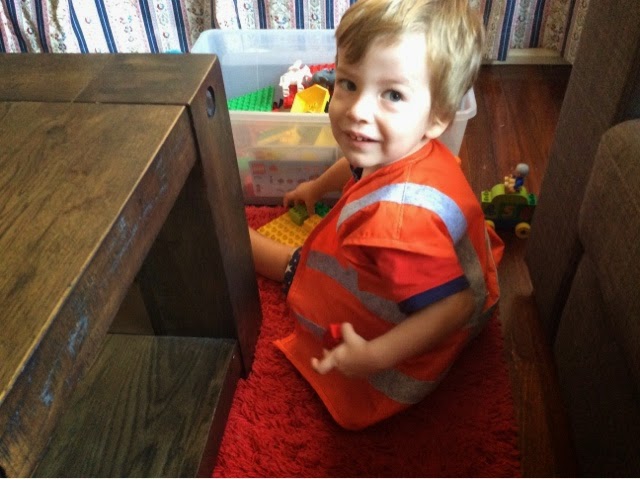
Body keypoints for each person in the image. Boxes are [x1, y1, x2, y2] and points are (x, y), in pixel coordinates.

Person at [249, 0, 504, 430]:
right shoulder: (405, 147)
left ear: (438, 117)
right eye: (348, 84)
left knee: (257, 250)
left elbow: (455, 306)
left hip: (402, 340)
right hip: (432, 277)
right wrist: (318, 187)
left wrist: (373, 356)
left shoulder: (396, 227)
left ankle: (234, 240)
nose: (357, 111)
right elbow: (355, 167)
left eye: (392, 95)